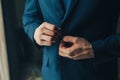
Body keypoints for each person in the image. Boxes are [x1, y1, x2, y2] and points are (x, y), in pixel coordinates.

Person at [22, 0, 120, 80]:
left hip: (97, 73)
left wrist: (95, 49)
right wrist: (35, 32)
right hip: (52, 73)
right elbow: (29, 16)